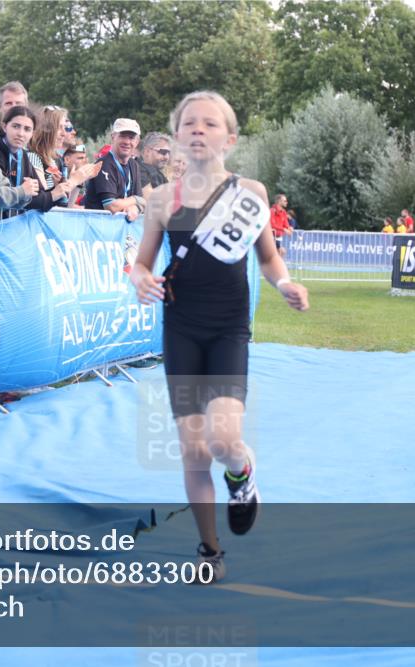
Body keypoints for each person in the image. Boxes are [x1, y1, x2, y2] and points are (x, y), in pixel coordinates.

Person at [130, 91, 309, 582]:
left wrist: (286, 284)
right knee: (193, 451)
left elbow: (268, 258)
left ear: (229, 139)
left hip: (228, 328)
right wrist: (140, 279)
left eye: (210, 123)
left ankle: (242, 475)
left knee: (225, 439)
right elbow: (142, 263)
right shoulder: (162, 199)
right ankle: (210, 550)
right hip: (181, 328)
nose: (198, 129)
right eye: (190, 122)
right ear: (176, 135)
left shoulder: (250, 193)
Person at [0, 105, 97, 213]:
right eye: (59, 127)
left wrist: (77, 183)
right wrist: (72, 182)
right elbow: (41, 201)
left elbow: (63, 206)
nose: (64, 133)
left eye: (65, 128)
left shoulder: (57, 160)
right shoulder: (32, 157)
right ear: (46, 129)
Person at [85, 118, 145, 220]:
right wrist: (135, 199)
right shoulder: (104, 164)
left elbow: (141, 203)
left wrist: (134, 208)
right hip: (97, 225)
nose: (127, 142)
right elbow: (111, 207)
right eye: (122, 136)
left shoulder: (134, 165)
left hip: (118, 227)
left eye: (131, 138)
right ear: (113, 137)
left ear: (137, 141)